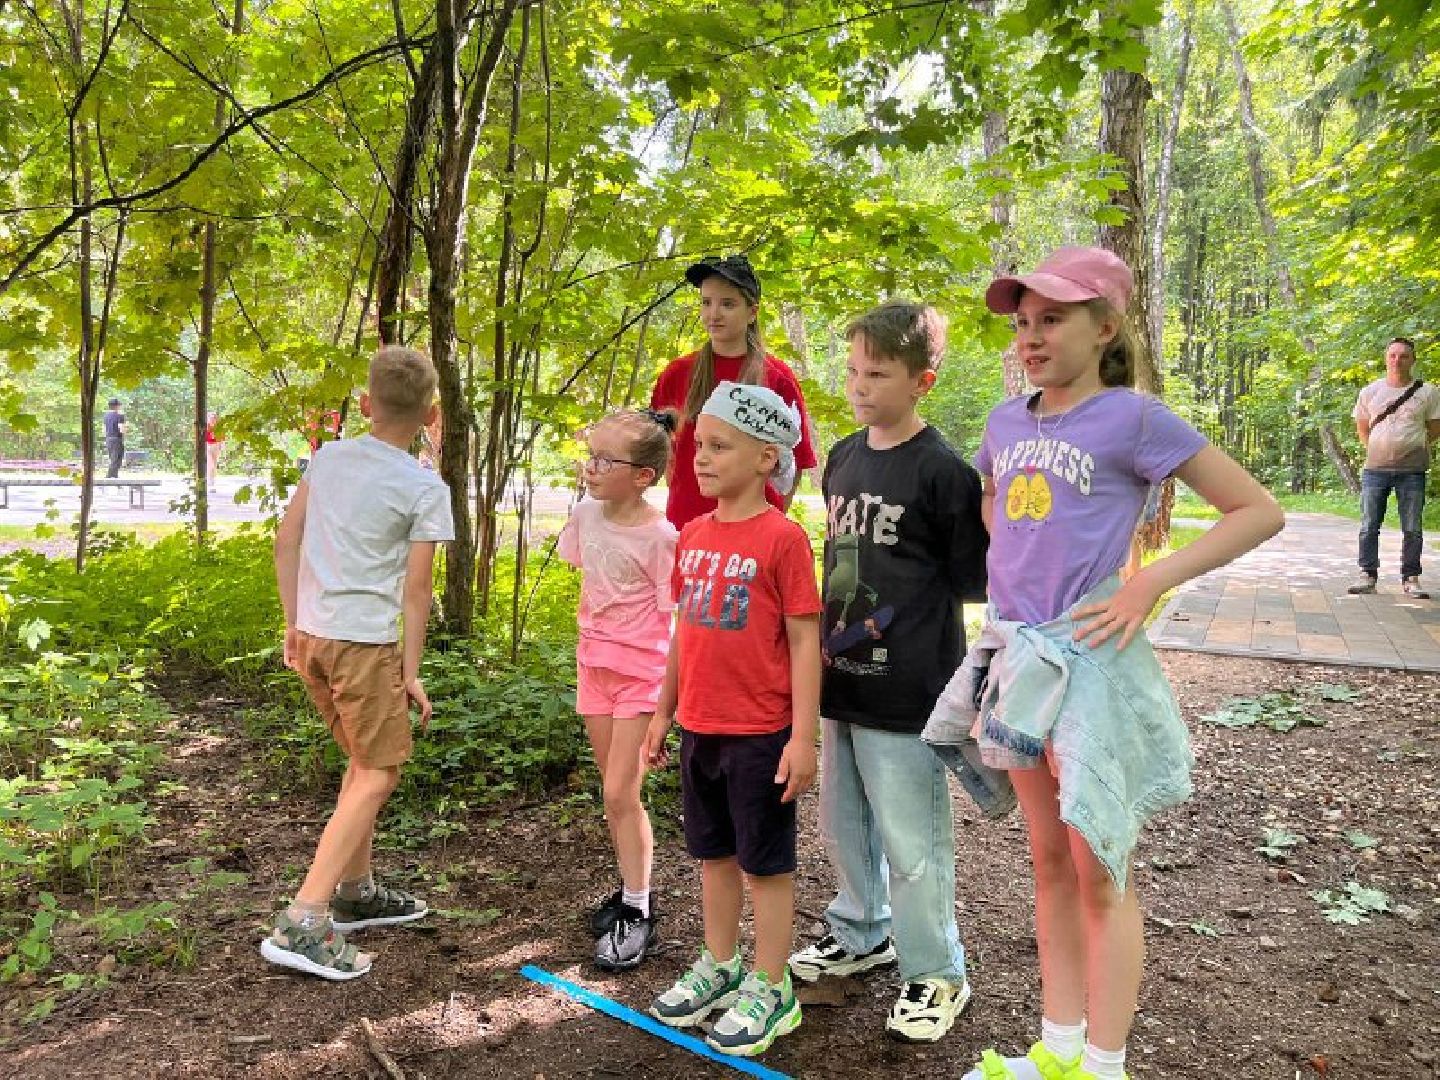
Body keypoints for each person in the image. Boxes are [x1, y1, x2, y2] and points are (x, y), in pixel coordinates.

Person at [920, 247, 1283, 1080]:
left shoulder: (1134, 419)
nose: (1031, 336)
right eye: (1022, 322)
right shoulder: (1006, 422)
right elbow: (993, 493)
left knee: (1100, 870)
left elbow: (1257, 510)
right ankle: (1058, 1049)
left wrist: (1148, 580)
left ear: (1106, 327)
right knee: (1048, 861)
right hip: (1017, 659)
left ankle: (1105, 1064)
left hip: (1088, 666)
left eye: (1053, 319)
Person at [786, 302, 989, 1044]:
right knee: (845, 825)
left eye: (877, 374)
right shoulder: (843, 456)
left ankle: (936, 970)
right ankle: (861, 931)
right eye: (852, 371)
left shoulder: (943, 472)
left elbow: (972, 580)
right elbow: (840, 561)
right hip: (842, 676)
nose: (858, 386)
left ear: (921, 381)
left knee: (912, 840)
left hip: (910, 686)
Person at [264, 346, 455, 980]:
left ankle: (354, 892)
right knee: (379, 772)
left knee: (360, 759)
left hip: (316, 637)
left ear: (367, 404)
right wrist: (411, 669)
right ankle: (305, 918)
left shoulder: (329, 459)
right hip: (364, 645)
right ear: (431, 414)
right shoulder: (424, 486)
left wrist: (294, 622)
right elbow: (418, 590)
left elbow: (285, 540)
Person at [643, 381, 822, 1057]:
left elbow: (804, 641)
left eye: (720, 446)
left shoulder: (783, 540)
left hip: (761, 734)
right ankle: (720, 964)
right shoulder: (692, 535)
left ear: (766, 459)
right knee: (713, 855)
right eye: (700, 445)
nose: (702, 458)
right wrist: (663, 711)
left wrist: (803, 737)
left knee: (765, 865)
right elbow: (683, 632)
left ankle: (772, 986)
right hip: (701, 728)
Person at [557, 407, 680, 971]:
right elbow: (582, 566)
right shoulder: (586, 514)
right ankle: (634, 886)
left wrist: (666, 706)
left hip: (640, 675)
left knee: (619, 794)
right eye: (591, 456)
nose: (592, 468)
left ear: (643, 476)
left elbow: (673, 622)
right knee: (615, 795)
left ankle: (638, 909)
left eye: (606, 461)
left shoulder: (662, 537)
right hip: (594, 666)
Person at [650, 254, 818, 530]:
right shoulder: (678, 373)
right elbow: (663, 449)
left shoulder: (776, 378)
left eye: (728, 304)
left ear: (752, 312)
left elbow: (795, 461)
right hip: (687, 526)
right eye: (706, 302)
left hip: (754, 530)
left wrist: (769, 521)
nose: (714, 314)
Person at [1347, 337, 1440, 600]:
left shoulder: (1428, 392)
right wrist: (1380, 449)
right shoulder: (1370, 392)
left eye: (1404, 356)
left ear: (1413, 360)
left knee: (1412, 527)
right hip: (1375, 469)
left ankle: (1411, 579)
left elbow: (1435, 428)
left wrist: (1411, 445)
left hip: (1412, 470)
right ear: (1386, 358)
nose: (1397, 360)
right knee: (1369, 525)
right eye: (1393, 355)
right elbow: (1362, 429)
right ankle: (1367, 575)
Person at [103, 398, 127, 478]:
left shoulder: (106, 416)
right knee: (117, 458)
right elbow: (121, 429)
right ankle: (109, 476)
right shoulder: (120, 416)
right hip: (116, 439)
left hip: (108, 438)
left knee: (112, 457)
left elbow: (104, 429)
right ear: (116, 406)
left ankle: (114, 475)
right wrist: (126, 430)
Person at [205, 411, 222, 493]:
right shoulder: (206, 427)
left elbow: (222, 438)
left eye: (214, 418)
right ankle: (208, 479)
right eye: (211, 418)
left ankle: (212, 479)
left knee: (214, 465)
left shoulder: (218, 427)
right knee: (210, 464)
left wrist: (221, 446)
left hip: (216, 446)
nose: (212, 419)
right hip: (208, 446)